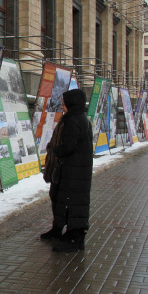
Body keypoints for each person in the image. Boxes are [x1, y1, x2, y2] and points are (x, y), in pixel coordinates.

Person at [39, 89, 93, 252]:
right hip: (72, 169)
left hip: (74, 170)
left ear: (72, 103)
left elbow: (69, 146)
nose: (62, 106)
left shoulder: (74, 120)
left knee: (73, 202)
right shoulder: (75, 118)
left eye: (64, 103)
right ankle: (59, 229)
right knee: (60, 197)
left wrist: (55, 150)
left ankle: (75, 238)